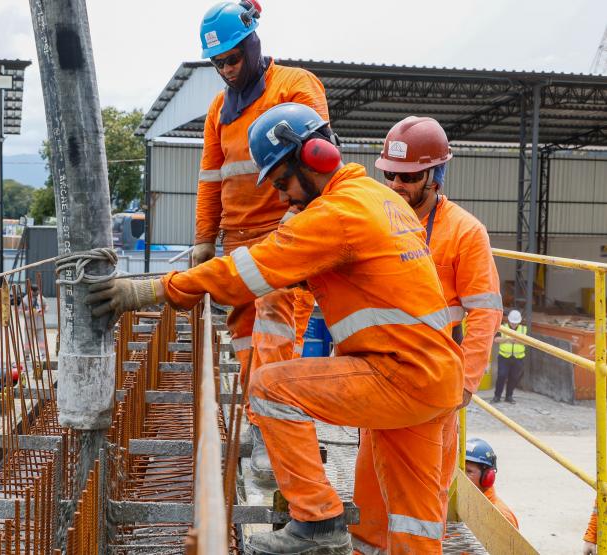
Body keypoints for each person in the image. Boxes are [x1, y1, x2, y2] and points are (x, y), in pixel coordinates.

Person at [87, 103, 464, 554]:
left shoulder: (337, 214)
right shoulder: (378, 201)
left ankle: (318, 522)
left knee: (269, 388)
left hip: (400, 376)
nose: (284, 198)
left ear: (317, 157)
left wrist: (148, 291)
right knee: (416, 524)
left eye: (284, 182)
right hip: (437, 380)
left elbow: (246, 271)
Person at [351, 116, 503, 550]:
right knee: (369, 497)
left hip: (435, 388)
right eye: (391, 174)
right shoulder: (374, 221)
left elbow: (485, 314)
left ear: (436, 176)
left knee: (421, 508)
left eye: (410, 176)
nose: (397, 184)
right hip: (380, 378)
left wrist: (466, 386)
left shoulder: (464, 232)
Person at [194, 0, 330, 479]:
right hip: (239, 242)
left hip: (286, 233)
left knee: (276, 330)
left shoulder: (294, 86)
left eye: (233, 58)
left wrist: (304, 225)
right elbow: (211, 178)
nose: (227, 70)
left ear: (252, 43)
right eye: (218, 64)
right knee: (247, 339)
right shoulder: (218, 110)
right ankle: (261, 420)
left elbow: (319, 159)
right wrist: (203, 241)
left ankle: (271, 434)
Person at [463, 438, 518, 529]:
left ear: (487, 476)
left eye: (469, 471)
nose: (462, 476)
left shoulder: (502, 516)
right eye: (460, 470)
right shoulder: (459, 502)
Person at [493, 309, 527, 403]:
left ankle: (509, 396)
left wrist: (518, 340)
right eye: (512, 322)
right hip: (504, 357)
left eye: (516, 323)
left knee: (514, 377)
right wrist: (508, 339)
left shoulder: (523, 329)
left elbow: (528, 342)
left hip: (518, 358)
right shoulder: (503, 327)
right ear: (509, 320)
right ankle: (497, 396)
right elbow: (496, 339)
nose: (514, 324)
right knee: (501, 376)